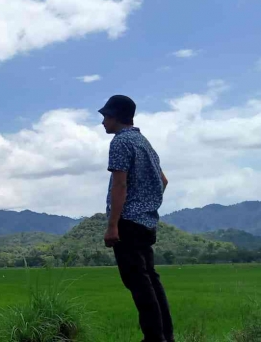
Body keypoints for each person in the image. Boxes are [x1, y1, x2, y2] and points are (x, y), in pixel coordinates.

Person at [99, 95, 174, 342]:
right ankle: (165, 337)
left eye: (105, 116)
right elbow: (163, 181)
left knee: (138, 284)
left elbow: (119, 185)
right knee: (150, 279)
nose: (103, 122)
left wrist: (112, 225)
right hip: (146, 223)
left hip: (128, 224)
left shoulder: (120, 143)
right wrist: (147, 203)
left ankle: (154, 338)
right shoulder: (144, 142)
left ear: (115, 117)